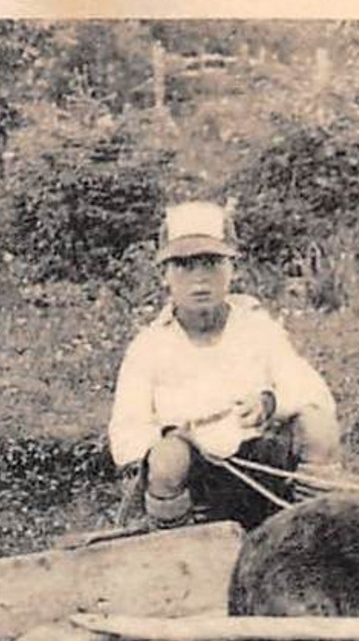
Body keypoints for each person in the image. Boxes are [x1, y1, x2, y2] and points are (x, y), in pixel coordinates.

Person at [108, 201, 340, 530]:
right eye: (185, 265)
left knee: (319, 425)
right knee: (168, 458)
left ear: (233, 269)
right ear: (164, 275)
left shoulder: (257, 328)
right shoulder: (148, 348)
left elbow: (312, 391)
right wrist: (172, 438)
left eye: (212, 263)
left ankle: (309, 537)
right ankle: (184, 553)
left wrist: (269, 404)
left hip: (263, 470)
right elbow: (125, 435)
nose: (200, 279)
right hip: (194, 485)